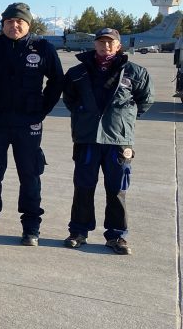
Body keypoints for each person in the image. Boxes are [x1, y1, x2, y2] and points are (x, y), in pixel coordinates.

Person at [0, 2, 64, 245]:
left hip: (28, 123)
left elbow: (56, 81)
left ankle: (31, 227)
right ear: (2, 25)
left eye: (19, 21)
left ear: (28, 24)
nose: (14, 25)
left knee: (30, 175)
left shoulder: (43, 47)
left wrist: (42, 109)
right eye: (9, 22)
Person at [62, 28, 152, 254]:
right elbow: (70, 99)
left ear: (119, 46)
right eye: (101, 42)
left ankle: (117, 236)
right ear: (95, 45)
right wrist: (86, 118)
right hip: (88, 140)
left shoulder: (135, 72)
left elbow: (144, 101)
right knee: (83, 187)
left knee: (117, 190)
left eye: (111, 43)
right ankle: (78, 231)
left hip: (118, 142)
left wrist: (121, 121)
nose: (106, 47)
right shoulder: (78, 72)